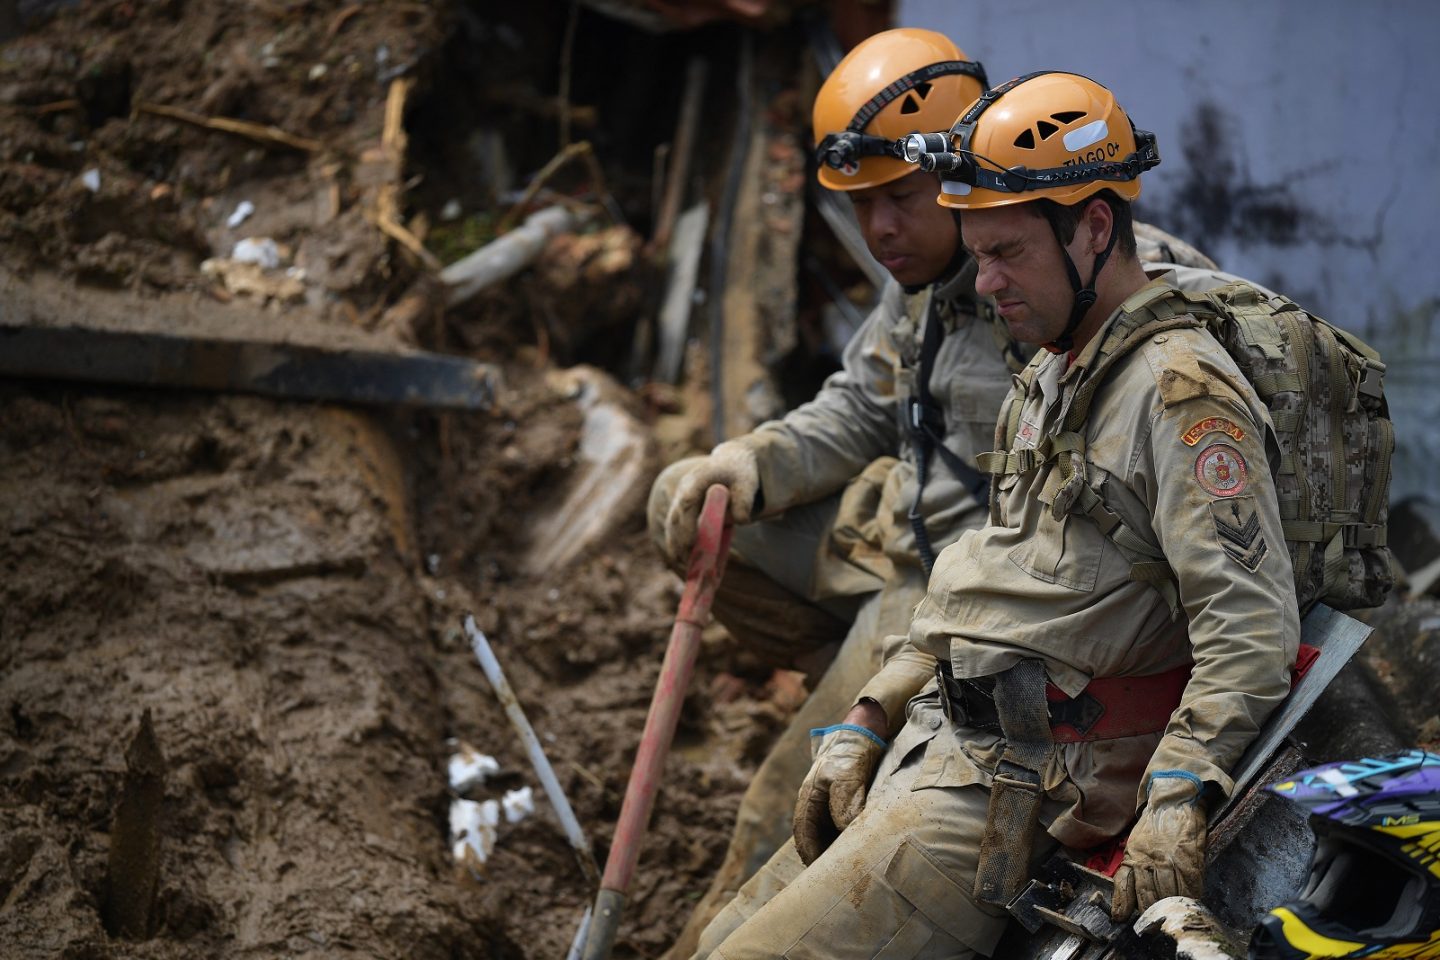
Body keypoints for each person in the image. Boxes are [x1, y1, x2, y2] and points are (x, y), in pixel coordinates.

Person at [692, 71, 1300, 959]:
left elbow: (1248, 623)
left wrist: (1178, 793)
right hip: (944, 741)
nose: (986, 283)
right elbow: (986, 569)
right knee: (718, 937)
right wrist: (872, 712)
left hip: (1029, 785)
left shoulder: (1179, 393)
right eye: (976, 254)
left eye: (1008, 252)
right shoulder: (1052, 371)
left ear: (1095, 226)